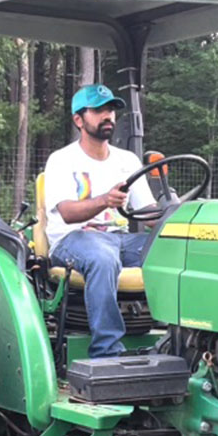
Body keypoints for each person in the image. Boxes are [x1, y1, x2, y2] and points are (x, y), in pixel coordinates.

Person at [43, 84, 156, 358]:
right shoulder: (61, 160)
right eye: (98, 110)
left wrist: (180, 218)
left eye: (111, 110)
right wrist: (105, 200)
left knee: (173, 251)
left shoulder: (127, 160)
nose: (108, 116)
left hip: (120, 239)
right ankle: (106, 353)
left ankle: (179, 341)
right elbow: (68, 213)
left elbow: (149, 212)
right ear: (79, 120)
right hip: (73, 239)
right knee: (103, 258)